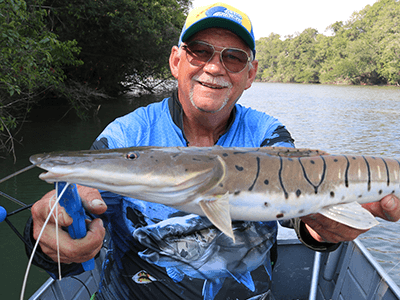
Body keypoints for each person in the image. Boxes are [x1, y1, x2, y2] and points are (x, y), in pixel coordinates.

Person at [25, 3, 400, 300]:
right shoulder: (125, 134)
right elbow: (80, 211)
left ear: (250, 74)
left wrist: (333, 226)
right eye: (199, 51)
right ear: (176, 60)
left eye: (232, 57)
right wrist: (49, 235)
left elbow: (305, 225)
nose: (213, 67)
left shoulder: (268, 134)